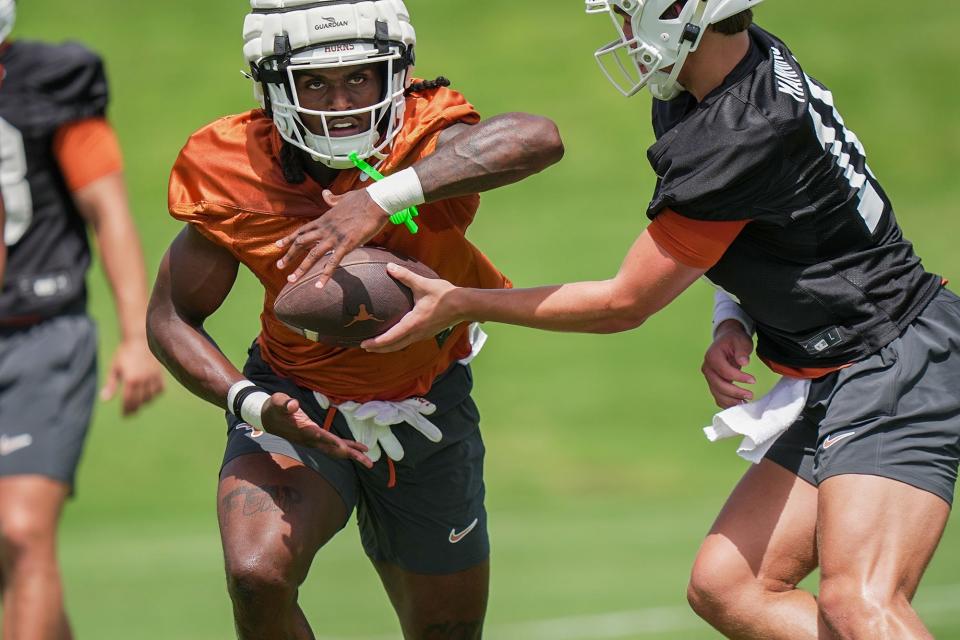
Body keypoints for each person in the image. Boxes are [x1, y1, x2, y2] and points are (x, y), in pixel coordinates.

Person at [345, 1, 960, 638]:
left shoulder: (738, 129)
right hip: (843, 361)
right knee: (730, 587)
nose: (622, 30)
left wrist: (462, 300)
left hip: (895, 360)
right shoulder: (718, 78)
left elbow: (623, 304)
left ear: (683, 15)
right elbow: (786, 225)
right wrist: (733, 317)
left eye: (628, 11)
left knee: (861, 602)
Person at [145, 0, 563, 637]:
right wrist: (250, 403)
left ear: (393, 75)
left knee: (446, 632)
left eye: (358, 79)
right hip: (296, 397)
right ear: (271, 87)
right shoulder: (235, 168)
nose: (339, 102)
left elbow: (539, 138)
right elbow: (172, 315)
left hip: (429, 400)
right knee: (257, 575)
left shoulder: (422, 135)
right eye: (314, 82)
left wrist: (381, 197)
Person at [0, 0, 166, 637]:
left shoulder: (47, 84)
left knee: (21, 529)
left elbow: (109, 211)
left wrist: (135, 336)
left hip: (40, 333)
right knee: (9, 555)